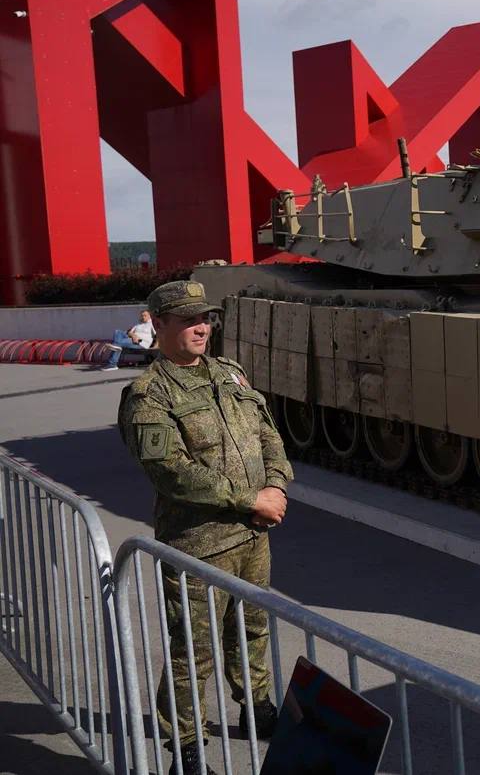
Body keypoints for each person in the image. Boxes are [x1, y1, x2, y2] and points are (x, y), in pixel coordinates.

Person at [117, 281, 292, 775]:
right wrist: (250, 499)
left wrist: (276, 486)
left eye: (205, 318)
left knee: (252, 627)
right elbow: (170, 471)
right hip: (199, 545)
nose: (201, 328)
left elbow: (268, 435)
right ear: (159, 324)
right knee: (193, 651)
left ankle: (256, 706)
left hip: (253, 534)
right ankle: (187, 748)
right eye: (188, 320)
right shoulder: (149, 394)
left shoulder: (228, 373)